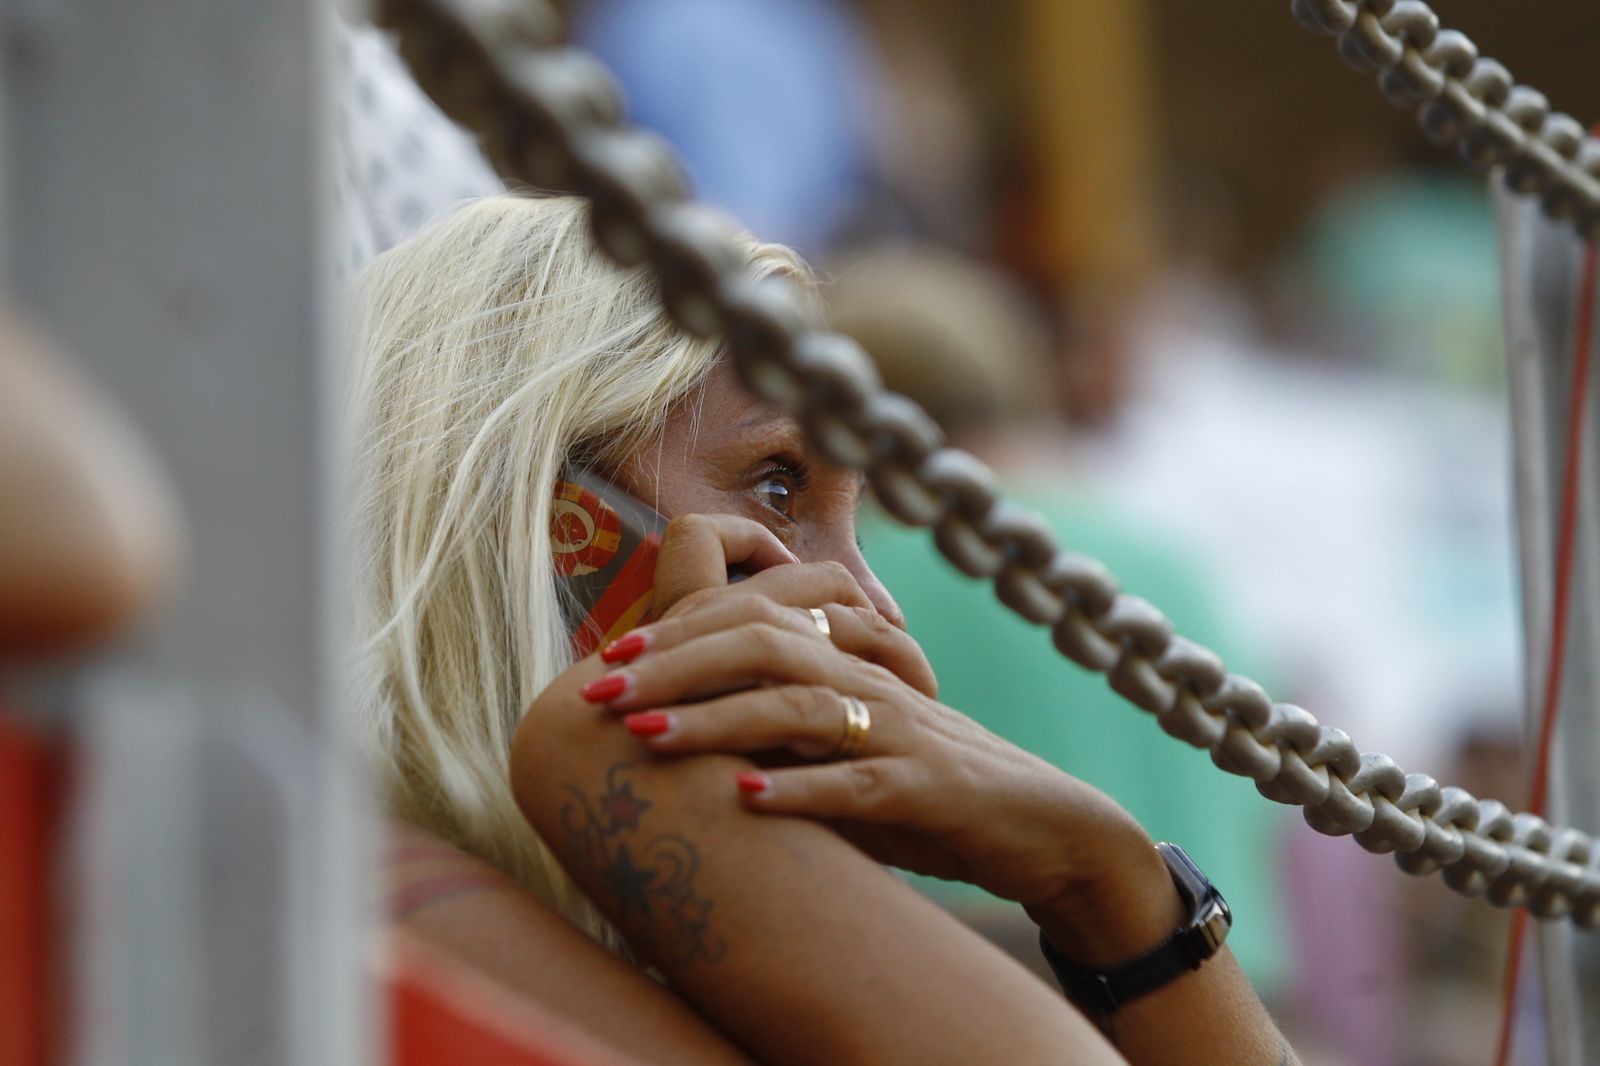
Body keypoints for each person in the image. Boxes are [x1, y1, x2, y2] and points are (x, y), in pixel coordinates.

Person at [349, 193, 1300, 1065]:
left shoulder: (677, 949)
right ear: (530, 522)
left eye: (862, 521)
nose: (876, 603)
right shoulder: (370, 913)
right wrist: (617, 760)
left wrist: (1118, 887)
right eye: (777, 486)